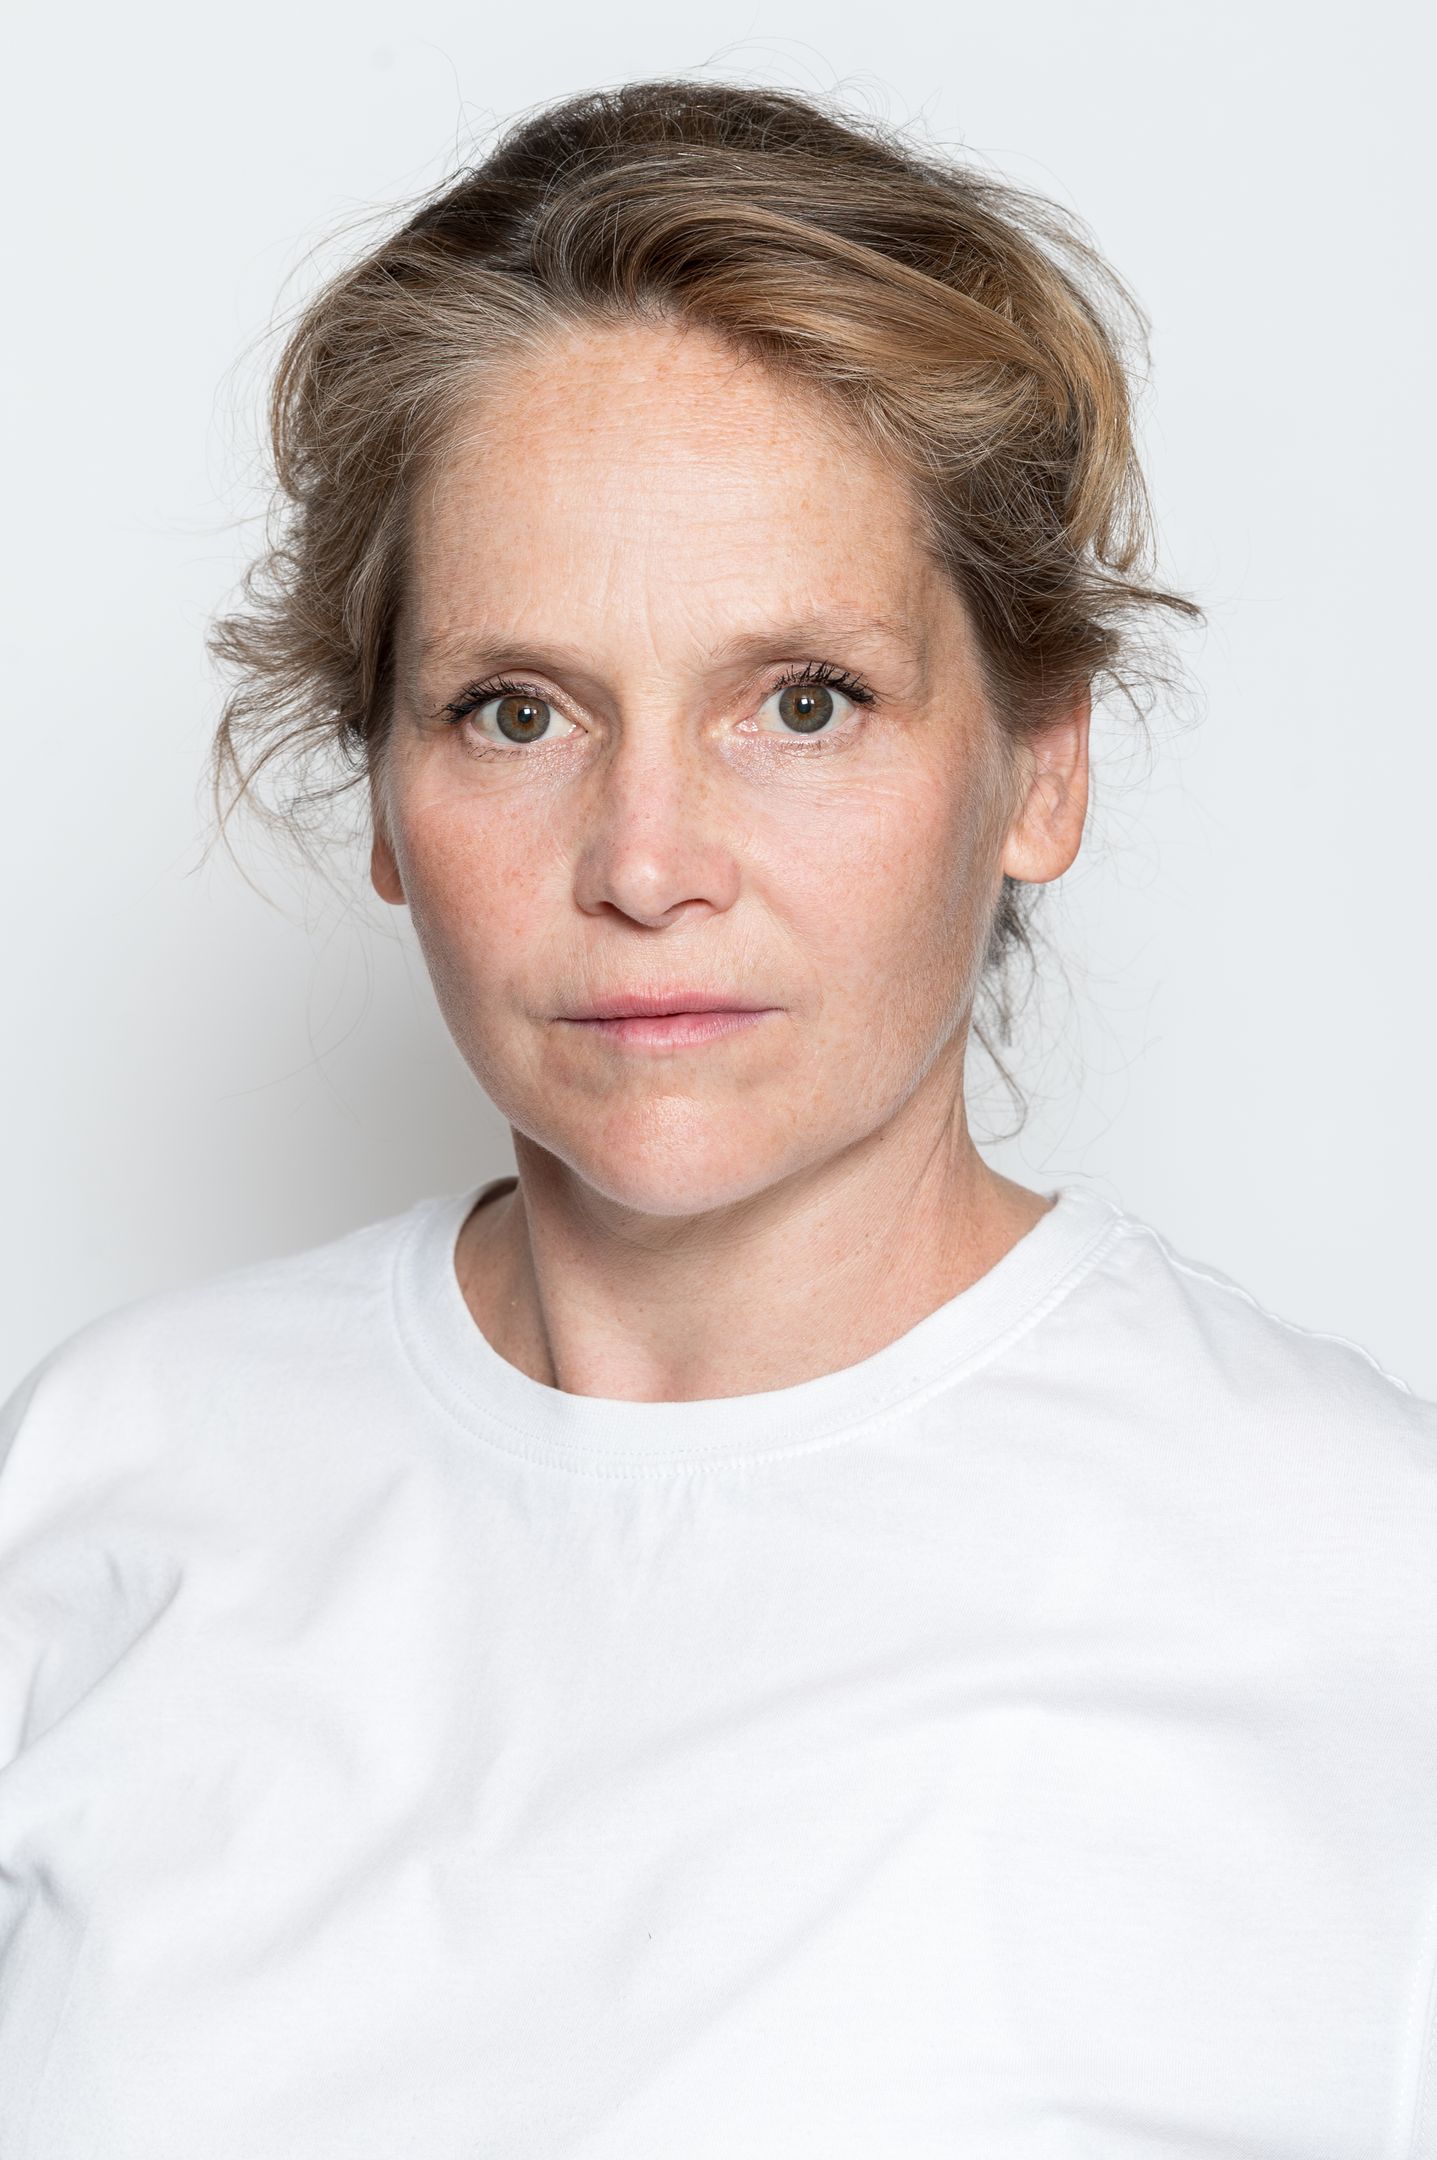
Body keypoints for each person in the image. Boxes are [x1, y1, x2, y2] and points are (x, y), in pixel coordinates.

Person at [1, 77, 1433, 2160]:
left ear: (1038, 767)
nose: (645, 860)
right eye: (515, 711)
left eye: (801, 702)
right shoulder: (99, 1482)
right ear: (384, 788)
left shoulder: (1360, 1580)